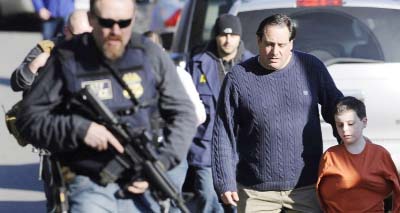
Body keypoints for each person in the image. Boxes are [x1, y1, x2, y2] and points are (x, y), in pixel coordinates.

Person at [16, 0, 197, 212]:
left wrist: (163, 161)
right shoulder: (66, 58)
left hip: (142, 179)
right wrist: (80, 129)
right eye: (107, 22)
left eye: (124, 23)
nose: (115, 30)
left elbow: (184, 113)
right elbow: (28, 118)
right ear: (92, 19)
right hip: (88, 182)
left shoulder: (150, 55)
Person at [211, 13, 344, 212]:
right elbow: (223, 132)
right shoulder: (238, 77)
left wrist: (354, 148)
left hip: (307, 188)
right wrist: (224, 179)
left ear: (291, 43)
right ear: (258, 41)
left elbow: (337, 109)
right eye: (269, 44)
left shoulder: (311, 68)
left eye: (282, 45)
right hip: (255, 192)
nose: (275, 51)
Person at [185, 14, 253, 212]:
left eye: (233, 35)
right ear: (216, 36)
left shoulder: (252, 65)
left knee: (237, 204)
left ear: (240, 37)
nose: (228, 40)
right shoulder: (197, 65)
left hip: (242, 150)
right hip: (205, 148)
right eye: (223, 35)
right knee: (208, 199)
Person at [143, 30, 206, 213]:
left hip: (171, 151)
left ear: (162, 50)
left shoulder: (177, 74)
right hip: (142, 153)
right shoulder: (132, 77)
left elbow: (199, 114)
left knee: (171, 202)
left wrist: (176, 129)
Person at [316, 96, 400, 212]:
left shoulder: (380, 154)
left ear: (364, 122)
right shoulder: (330, 156)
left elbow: (397, 189)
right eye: (340, 125)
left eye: (350, 124)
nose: (345, 129)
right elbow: (320, 196)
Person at [11, 9, 93, 92]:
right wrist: (34, 66)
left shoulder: (100, 51)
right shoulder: (47, 48)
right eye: (78, 37)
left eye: (88, 36)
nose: (84, 41)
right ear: (66, 31)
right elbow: (16, 84)